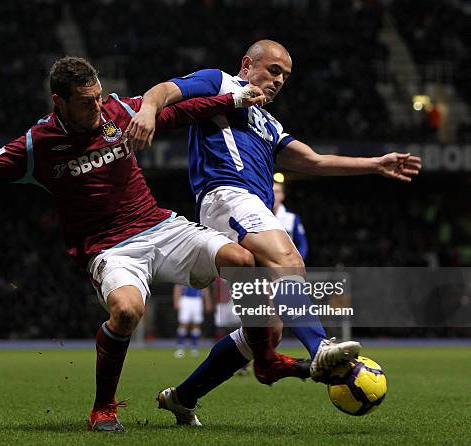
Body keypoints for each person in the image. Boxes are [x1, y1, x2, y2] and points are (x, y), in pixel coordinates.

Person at [0, 56, 273, 433]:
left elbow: (177, 111)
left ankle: (264, 358)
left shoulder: (117, 111)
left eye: (98, 97)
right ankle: (103, 407)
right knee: (128, 312)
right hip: (110, 249)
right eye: (85, 102)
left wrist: (233, 98)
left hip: (160, 226)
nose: (96, 108)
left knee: (242, 258)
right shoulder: (37, 145)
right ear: (59, 101)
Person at [126, 39, 422, 425]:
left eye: (286, 75)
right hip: (227, 195)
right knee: (289, 259)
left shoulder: (269, 122)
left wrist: (374, 164)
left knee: (263, 333)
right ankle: (319, 347)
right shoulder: (221, 84)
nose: (280, 80)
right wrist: (148, 110)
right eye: (274, 70)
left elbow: (314, 160)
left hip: (249, 207)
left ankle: (182, 397)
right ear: (247, 65)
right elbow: (167, 90)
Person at [173, 284, 212, 358]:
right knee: (183, 323)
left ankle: (194, 348)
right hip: (185, 299)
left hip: (197, 300)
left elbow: (205, 287)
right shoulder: (184, 272)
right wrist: (176, 300)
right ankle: (180, 348)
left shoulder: (201, 275)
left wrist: (207, 301)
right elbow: (178, 286)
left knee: (196, 324)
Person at [273, 180, 308, 261]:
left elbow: (302, 243)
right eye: (271, 191)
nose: (274, 195)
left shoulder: (292, 218)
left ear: (282, 195)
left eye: (277, 192)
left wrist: (297, 262)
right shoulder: (258, 216)